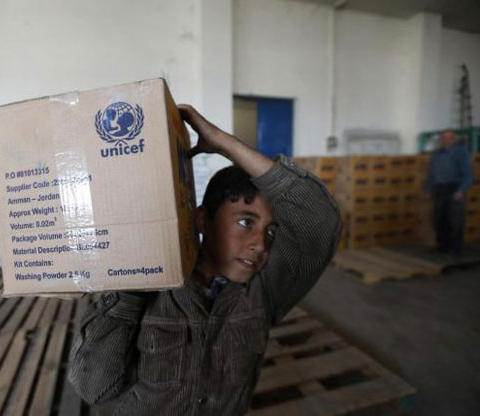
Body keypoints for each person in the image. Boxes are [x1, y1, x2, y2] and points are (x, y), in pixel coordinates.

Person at [68, 105, 341, 415]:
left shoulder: (265, 292)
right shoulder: (147, 285)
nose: (259, 245)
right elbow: (93, 388)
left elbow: (321, 221)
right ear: (202, 220)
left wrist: (223, 143)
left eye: (271, 231)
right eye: (245, 222)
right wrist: (131, 293)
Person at [426, 129, 473, 256]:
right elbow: (431, 173)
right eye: (442, 138)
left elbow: (468, 174)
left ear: (454, 139)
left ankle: (455, 249)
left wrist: (461, 190)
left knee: (455, 221)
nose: (444, 140)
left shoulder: (461, 152)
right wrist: (429, 189)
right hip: (440, 189)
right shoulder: (437, 154)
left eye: (447, 138)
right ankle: (442, 246)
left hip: (454, 188)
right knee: (439, 219)